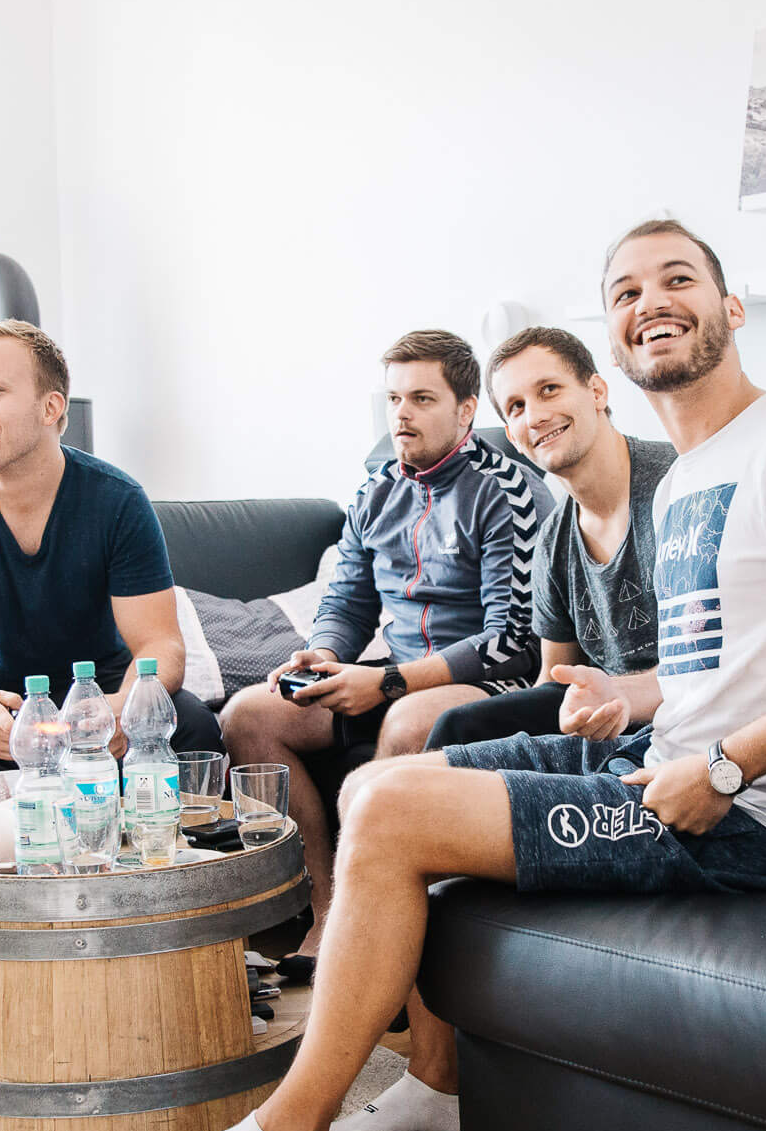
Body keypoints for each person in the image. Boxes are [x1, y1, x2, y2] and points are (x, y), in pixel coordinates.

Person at [134, 219, 766, 1131]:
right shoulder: (692, 479)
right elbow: (723, 671)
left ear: (728, 309)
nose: (651, 300)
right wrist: (634, 698)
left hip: (758, 822)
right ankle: (437, 1083)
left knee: (392, 817)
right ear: (613, 336)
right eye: (626, 290)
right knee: (384, 782)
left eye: (677, 279)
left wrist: (726, 767)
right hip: (661, 758)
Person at [219, 328, 550, 968]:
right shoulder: (374, 491)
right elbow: (345, 603)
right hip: (390, 675)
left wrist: (389, 683)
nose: (402, 414)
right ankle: (324, 914)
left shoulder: (509, 492)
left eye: (422, 398)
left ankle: (379, 942)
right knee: (247, 715)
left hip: (486, 682)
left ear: (465, 409)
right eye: (394, 398)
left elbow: (513, 643)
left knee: (403, 717)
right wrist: (321, 653)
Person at [0, 320, 221, 858]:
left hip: (98, 696)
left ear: (52, 408)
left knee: (194, 725)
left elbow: (160, 645)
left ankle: (173, 921)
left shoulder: (119, 501)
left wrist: (123, 713)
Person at [425, 325, 674, 750]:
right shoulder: (553, 542)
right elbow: (554, 681)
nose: (535, 416)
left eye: (549, 390)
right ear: (513, 438)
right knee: (456, 730)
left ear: (597, 392)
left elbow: (731, 657)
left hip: (687, 720)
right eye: (516, 407)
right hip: (601, 726)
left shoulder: (677, 483)